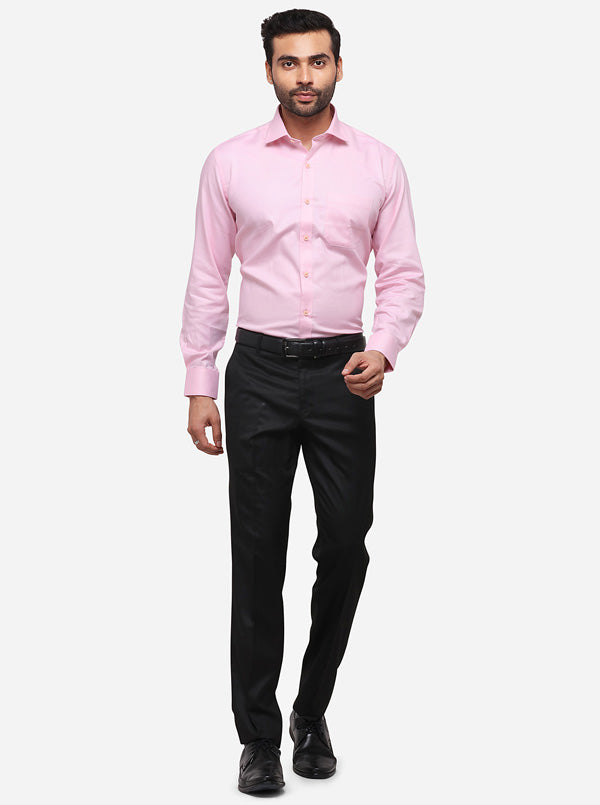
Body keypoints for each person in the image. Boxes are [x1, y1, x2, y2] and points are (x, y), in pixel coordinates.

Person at [179, 8, 425, 795]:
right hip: (256, 369)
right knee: (256, 555)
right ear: (269, 72)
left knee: (346, 545)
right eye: (289, 63)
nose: (305, 76)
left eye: (318, 61)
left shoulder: (379, 164)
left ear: (338, 67)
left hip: (344, 371)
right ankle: (257, 737)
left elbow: (403, 273)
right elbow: (208, 275)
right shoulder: (229, 163)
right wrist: (199, 380)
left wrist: (383, 348)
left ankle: (310, 711)